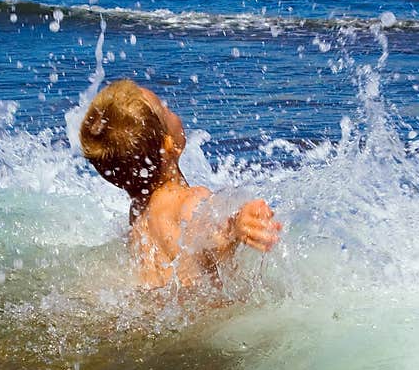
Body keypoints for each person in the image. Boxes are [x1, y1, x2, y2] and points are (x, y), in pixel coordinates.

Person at [79, 79, 282, 289]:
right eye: (166, 110)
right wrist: (237, 222)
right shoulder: (187, 199)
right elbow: (207, 226)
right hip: (203, 317)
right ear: (169, 145)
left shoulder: (139, 212)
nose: (172, 111)